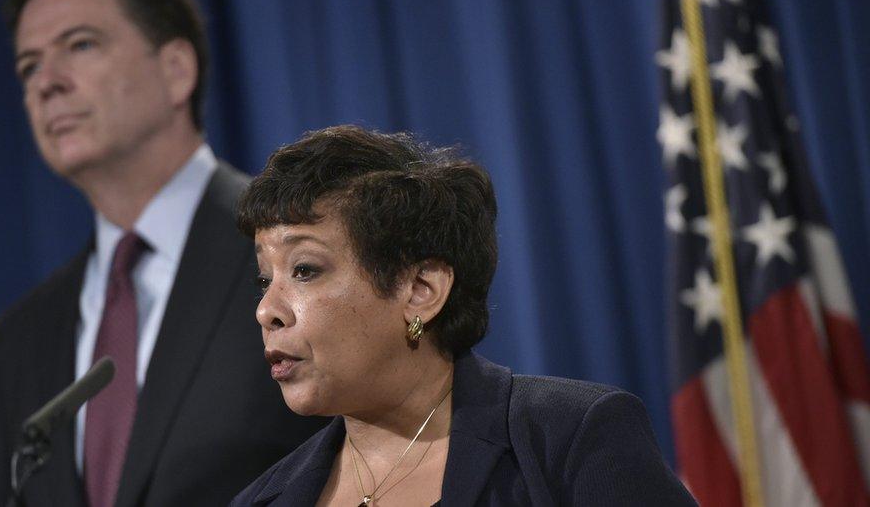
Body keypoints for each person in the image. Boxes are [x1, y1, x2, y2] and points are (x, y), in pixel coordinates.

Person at [0, 0, 322, 506]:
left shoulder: (304, 248)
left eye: (80, 45)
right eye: (28, 66)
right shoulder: (21, 339)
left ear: (176, 69)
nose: (46, 82)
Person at [230, 125, 697, 506]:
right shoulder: (263, 500)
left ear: (421, 290)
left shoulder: (573, 441)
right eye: (264, 280)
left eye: (305, 270)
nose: (266, 310)